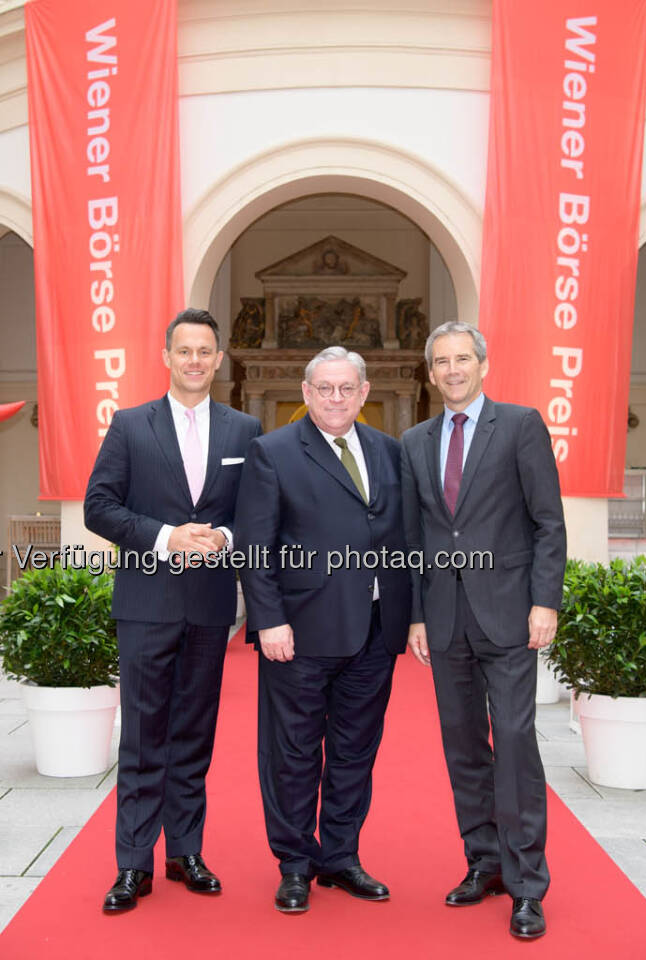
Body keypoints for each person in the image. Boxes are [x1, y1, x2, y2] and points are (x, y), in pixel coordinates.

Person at [83, 308, 263, 913]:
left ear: (218, 359)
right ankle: (132, 864)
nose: (194, 360)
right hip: (145, 603)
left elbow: (256, 513)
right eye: (183, 350)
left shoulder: (245, 430)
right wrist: (166, 537)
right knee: (141, 736)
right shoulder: (131, 426)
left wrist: (226, 539)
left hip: (210, 606)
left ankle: (185, 852)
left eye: (204, 351)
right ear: (166, 357)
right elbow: (99, 507)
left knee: (193, 735)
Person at [399, 321, 566, 940]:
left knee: (516, 742)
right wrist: (416, 612)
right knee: (464, 746)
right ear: (431, 370)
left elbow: (548, 521)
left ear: (482, 364)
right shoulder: (414, 441)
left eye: (462, 358)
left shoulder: (520, 426)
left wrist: (544, 601)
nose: (452, 370)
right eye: (441, 361)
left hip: (510, 613)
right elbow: (414, 537)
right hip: (444, 619)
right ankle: (484, 863)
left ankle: (527, 886)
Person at [234, 346, 411, 914]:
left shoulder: (389, 451)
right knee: (293, 753)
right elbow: (254, 546)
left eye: (346, 389)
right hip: (300, 633)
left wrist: (414, 615)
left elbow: (402, 538)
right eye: (324, 388)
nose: (335, 398)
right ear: (307, 394)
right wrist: (268, 621)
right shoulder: (272, 452)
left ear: (363, 394)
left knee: (356, 752)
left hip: (376, 631)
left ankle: (340, 856)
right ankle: (294, 864)